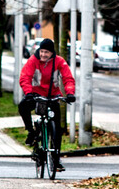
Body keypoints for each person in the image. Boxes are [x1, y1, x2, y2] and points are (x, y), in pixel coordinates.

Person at [18, 38, 76, 170]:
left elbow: (68, 78)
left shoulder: (59, 61)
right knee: (23, 106)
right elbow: (25, 77)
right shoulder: (33, 60)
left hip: (53, 96)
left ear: (52, 53)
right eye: (42, 51)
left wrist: (70, 93)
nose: (43, 55)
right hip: (36, 95)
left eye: (47, 52)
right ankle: (31, 131)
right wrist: (28, 93)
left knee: (57, 130)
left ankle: (56, 160)